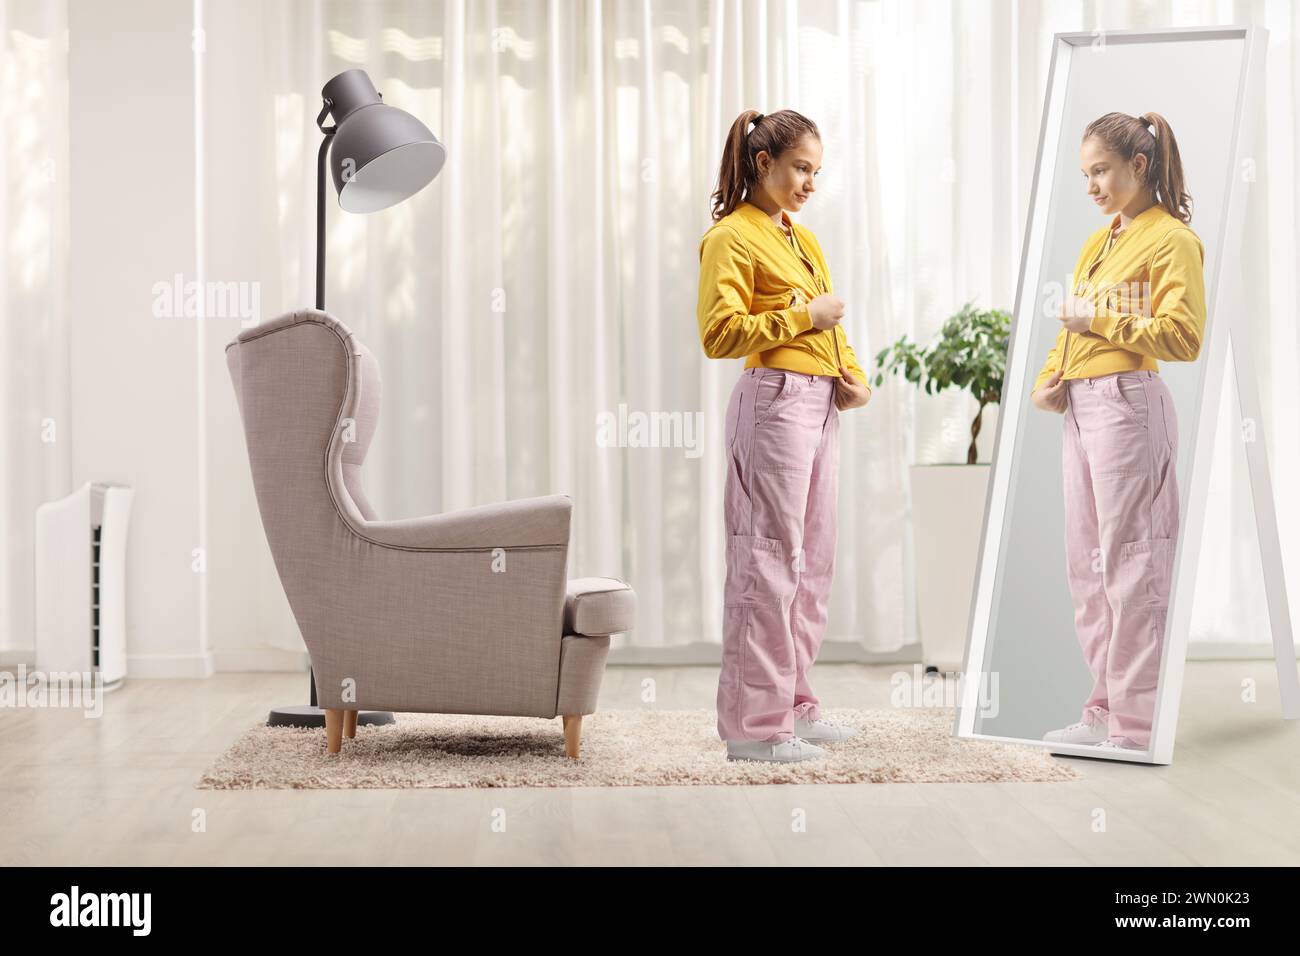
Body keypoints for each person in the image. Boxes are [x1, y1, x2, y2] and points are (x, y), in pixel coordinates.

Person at [696, 109, 872, 763]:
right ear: (763, 163)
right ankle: (753, 728)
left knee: (811, 564)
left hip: (818, 404)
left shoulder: (801, 237)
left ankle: (795, 708)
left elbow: (830, 320)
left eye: (816, 172)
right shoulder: (730, 238)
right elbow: (721, 334)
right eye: (801, 168)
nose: (810, 183)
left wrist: (849, 373)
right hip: (772, 405)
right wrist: (803, 316)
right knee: (766, 561)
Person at [1032, 112, 1206, 751]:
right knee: (1090, 567)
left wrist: (1098, 321)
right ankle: (1105, 711)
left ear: (1139, 165)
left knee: (1134, 566)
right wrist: (1053, 379)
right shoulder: (1098, 240)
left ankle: (1138, 726)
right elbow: (1071, 326)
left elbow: (1182, 337)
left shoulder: (1173, 240)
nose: (1092, 185)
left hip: (1132, 407)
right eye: (1086, 174)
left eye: (1100, 170)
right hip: (1083, 407)